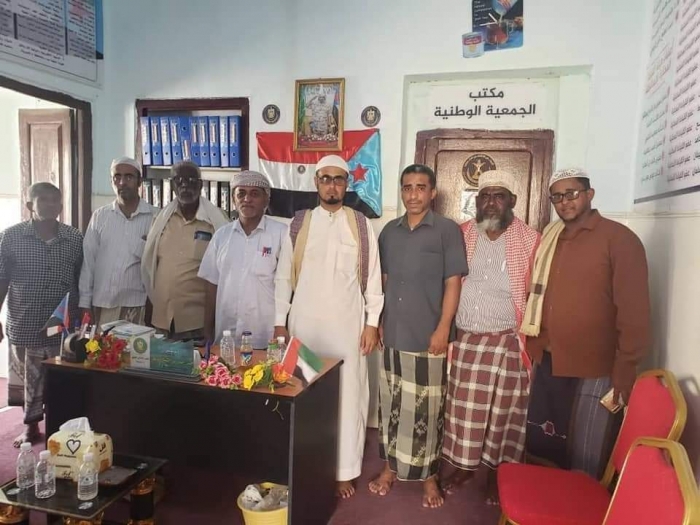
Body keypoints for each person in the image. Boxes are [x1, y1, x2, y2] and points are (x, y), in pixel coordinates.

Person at [521, 168, 651, 478]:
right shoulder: (551, 237)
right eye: (557, 196)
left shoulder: (619, 240)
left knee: (587, 448)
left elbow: (634, 311)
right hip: (548, 358)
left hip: (594, 366)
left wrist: (626, 366)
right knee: (543, 441)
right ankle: (542, 497)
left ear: (589, 194)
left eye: (572, 194)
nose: (564, 202)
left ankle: (580, 500)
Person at [274, 155, 383, 499]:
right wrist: (279, 323)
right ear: (316, 182)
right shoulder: (298, 224)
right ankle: (304, 464)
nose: (332, 185)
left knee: (349, 396)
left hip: (347, 328)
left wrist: (372, 324)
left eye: (338, 179)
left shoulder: (361, 225)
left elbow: (374, 279)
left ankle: (343, 471)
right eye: (326, 179)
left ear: (347, 184)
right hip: (304, 328)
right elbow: (283, 277)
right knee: (302, 394)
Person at [371, 164, 467, 508]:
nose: (413, 194)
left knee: (427, 412)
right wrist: (379, 320)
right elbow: (381, 281)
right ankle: (390, 468)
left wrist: (443, 328)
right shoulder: (389, 232)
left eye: (420, 187)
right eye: (407, 187)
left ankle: (428, 477)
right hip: (394, 334)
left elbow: (453, 282)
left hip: (428, 337)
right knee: (392, 406)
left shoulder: (446, 230)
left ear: (433, 192)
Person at [441, 170, 540, 504]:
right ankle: (465, 468)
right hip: (466, 339)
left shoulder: (531, 240)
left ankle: (500, 476)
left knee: (504, 415)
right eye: (485, 196)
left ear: (512, 201)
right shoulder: (462, 233)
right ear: (477, 201)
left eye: (499, 196)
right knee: (463, 412)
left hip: (507, 342)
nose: (491, 203)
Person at [0, 182, 82, 447]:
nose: (50, 204)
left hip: (62, 325)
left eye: (55, 200)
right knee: (29, 378)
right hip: (26, 321)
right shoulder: (10, 237)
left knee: (60, 377)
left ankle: (59, 425)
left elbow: (80, 279)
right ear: (29, 205)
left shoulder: (74, 238)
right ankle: (31, 426)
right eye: (43, 199)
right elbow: (2, 279)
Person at [141, 161, 229, 340]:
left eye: (191, 180)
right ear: (172, 185)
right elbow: (151, 268)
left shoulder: (216, 223)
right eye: (179, 180)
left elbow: (224, 273)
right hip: (161, 320)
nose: (185, 185)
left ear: (201, 185)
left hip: (197, 324)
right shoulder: (161, 220)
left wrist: (209, 328)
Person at [199, 171, 286, 348]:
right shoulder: (221, 236)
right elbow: (211, 285)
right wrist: (207, 330)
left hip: (265, 337)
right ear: (233, 199)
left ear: (266, 200)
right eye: (241, 193)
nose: (247, 199)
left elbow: (287, 285)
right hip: (227, 338)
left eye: (254, 194)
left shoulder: (281, 234)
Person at [79, 157, 157, 327]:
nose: (122, 182)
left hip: (138, 306)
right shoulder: (100, 216)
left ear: (139, 182)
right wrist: (84, 303)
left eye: (129, 177)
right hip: (102, 305)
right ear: (112, 181)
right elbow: (89, 262)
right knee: (102, 345)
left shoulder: (155, 217)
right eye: (117, 177)